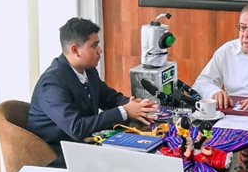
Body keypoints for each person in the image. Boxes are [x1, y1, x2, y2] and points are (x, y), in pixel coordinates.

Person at [28, 17, 157, 164]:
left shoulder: (88, 71)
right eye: (94, 45)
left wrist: (137, 106)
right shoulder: (52, 83)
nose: (100, 50)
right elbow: (77, 128)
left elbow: (109, 98)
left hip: (88, 143)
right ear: (75, 50)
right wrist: (125, 111)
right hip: (61, 155)